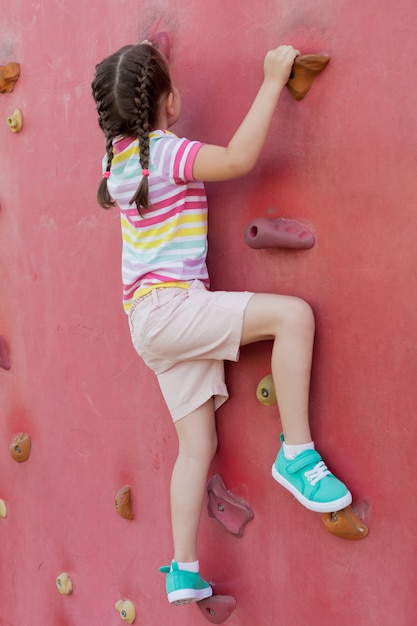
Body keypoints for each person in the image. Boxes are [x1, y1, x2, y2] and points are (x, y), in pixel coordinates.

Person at [91, 40, 352, 605]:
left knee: (196, 445)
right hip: (172, 307)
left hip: (147, 323)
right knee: (294, 317)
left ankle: (184, 567)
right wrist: (272, 79)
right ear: (170, 99)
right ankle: (297, 454)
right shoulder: (163, 152)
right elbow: (236, 160)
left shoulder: (115, 159)